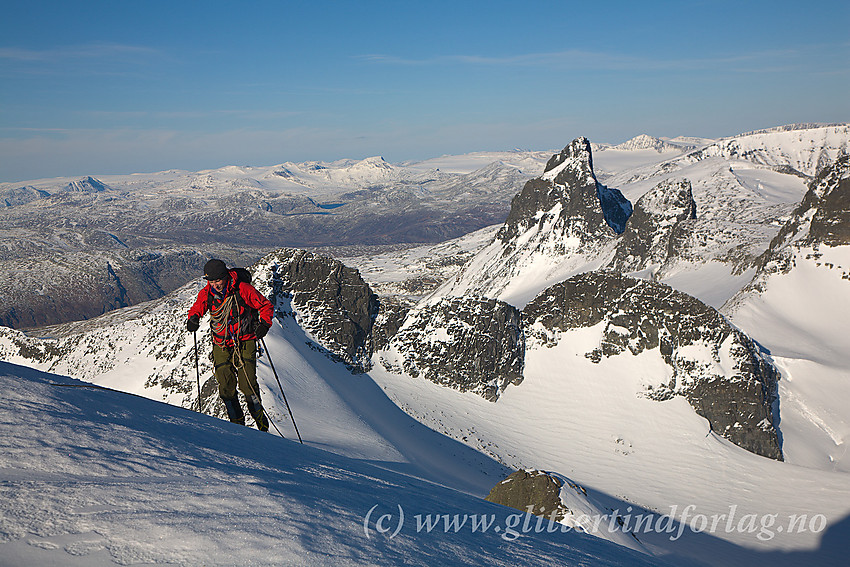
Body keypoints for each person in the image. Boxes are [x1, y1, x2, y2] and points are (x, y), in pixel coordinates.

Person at [187, 259, 274, 431]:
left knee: (247, 385)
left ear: (225, 276)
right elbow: (198, 307)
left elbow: (265, 305)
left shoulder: (242, 289)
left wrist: (264, 324)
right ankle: (237, 426)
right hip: (221, 342)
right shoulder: (207, 293)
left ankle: (262, 425)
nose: (215, 285)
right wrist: (193, 318)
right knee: (226, 386)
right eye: (211, 281)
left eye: (218, 280)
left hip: (245, 340)